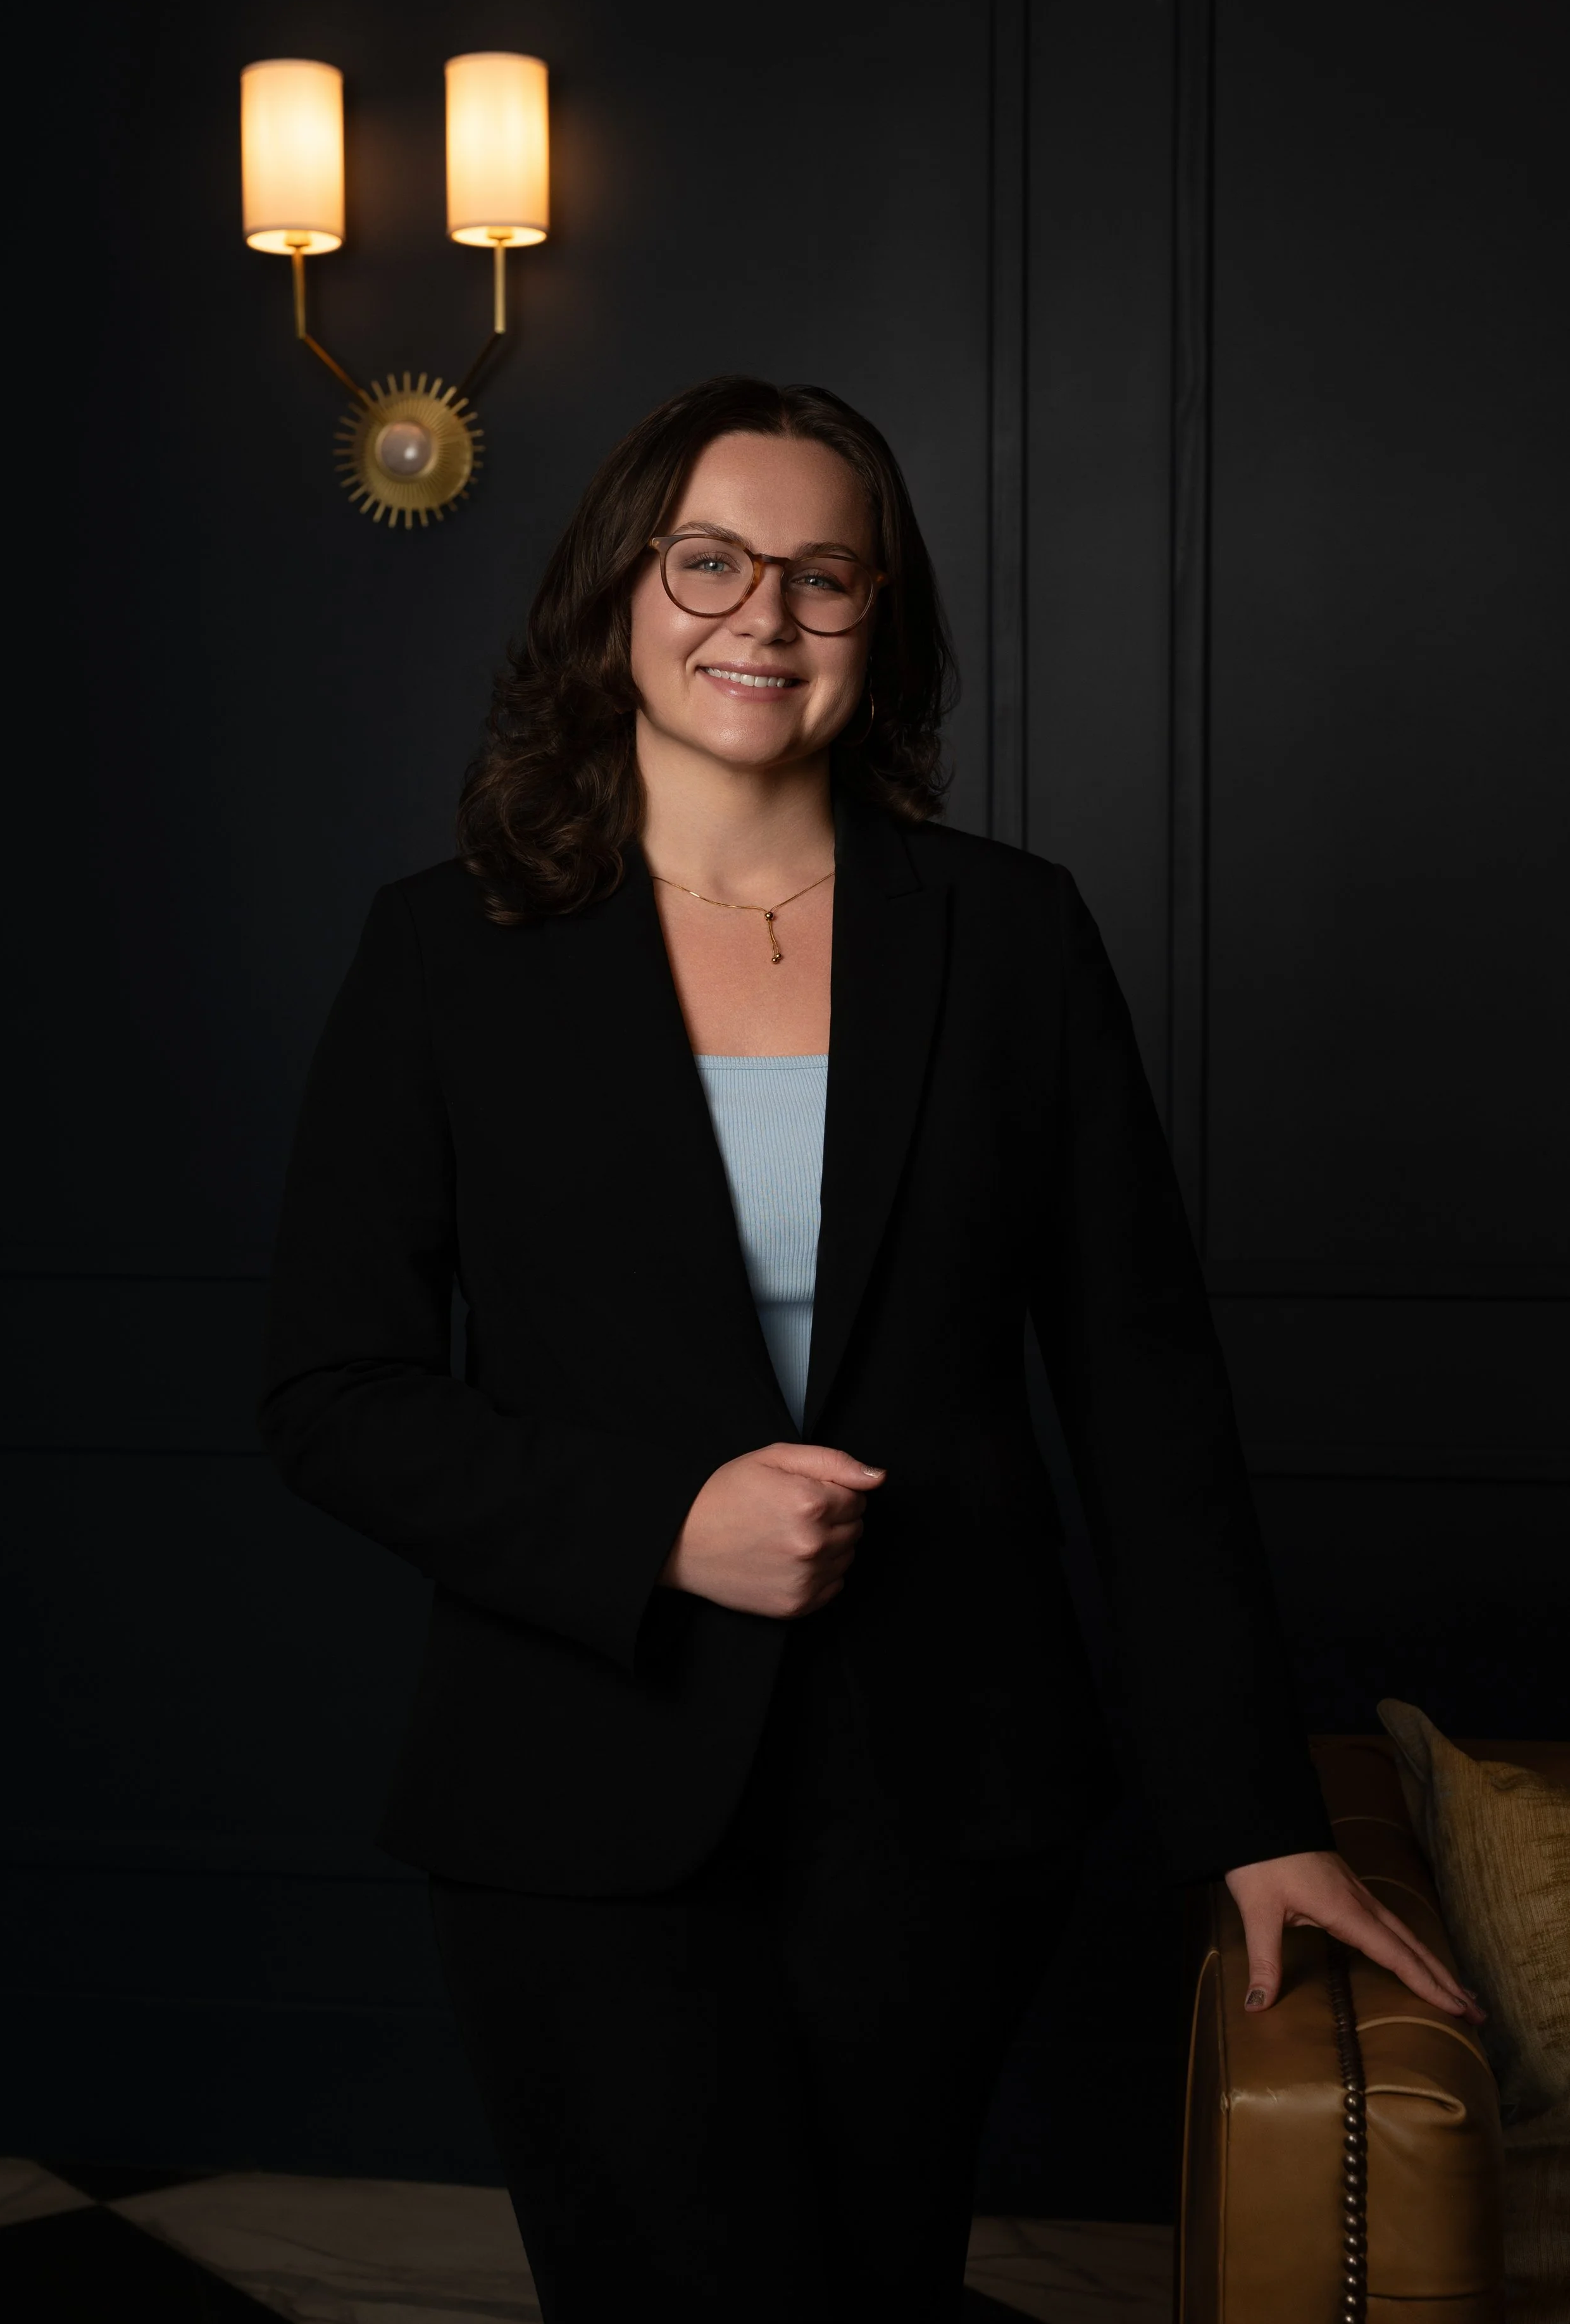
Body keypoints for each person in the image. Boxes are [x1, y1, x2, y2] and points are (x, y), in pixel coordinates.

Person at [257, 375, 1481, 2322]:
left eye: (826, 579)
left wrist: (1250, 1811)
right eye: (711, 563)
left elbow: (1145, 1399)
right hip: (579, 1795)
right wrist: (664, 1523)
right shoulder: (447, 951)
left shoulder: (1011, 937)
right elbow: (328, 1390)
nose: (765, 617)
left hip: (943, 1795)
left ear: (880, 626)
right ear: (617, 600)